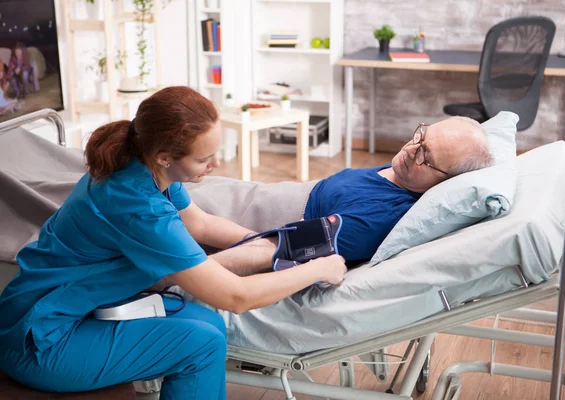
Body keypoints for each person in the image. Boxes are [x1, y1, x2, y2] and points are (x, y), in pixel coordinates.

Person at [0, 86, 346, 400]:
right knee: (203, 345)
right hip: (41, 340)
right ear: (166, 155)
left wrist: (269, 242)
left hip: (70, 309)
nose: (215, 164)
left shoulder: (146, 166)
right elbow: (236, 297)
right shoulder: (139, 207)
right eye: (203, 159)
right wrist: (319, 268)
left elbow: (201, 223)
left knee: (208, 324)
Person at [303, 116, 494, 263]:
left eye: (425, 155)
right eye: (422, 137)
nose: (410, 149)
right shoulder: (404, 174)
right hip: (303, 192)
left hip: (295, 213)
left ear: (445, 182)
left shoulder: (378, 216)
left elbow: (286, 247)